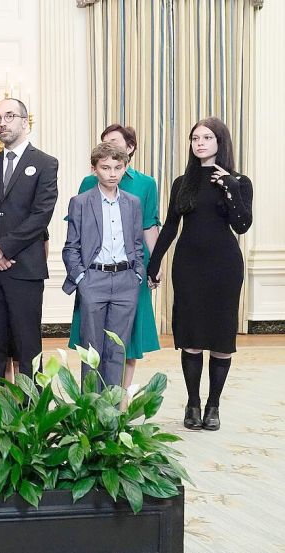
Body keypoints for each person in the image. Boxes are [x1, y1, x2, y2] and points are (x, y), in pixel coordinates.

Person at [147, 117, 253, 431]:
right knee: (191, 338)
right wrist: (154, 265)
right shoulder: (183, 182)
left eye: (207, 137)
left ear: (221, 142)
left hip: (224, 267)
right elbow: (169, 227)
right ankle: (193, 403)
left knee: (221, 338)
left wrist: (231, 189)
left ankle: (213, 405)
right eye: (195, 138)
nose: (200, 143)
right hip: (189, 266)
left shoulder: (239, 181)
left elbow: (242, 225)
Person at [67, 125, 160, 397]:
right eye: (105, 168)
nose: (112, 173)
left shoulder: (133, 201)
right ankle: (90, 410)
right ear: (95, 168)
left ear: (124, 167)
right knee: (92, 349)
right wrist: (82, 278)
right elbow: (72, 245)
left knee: (118, 348)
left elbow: (137, 242)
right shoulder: (81, 201)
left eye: (117, 168)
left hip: (125, 280)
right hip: (93, 279)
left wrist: (139, 274)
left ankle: (111, 413)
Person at [0, 98, 58, 378]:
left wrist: (3, 249)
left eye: (9, 116)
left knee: (27, 348)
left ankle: (32, 415)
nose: (2, 123)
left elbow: (40, 216)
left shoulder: (45, 163)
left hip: (24, 269)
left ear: (25, 121)